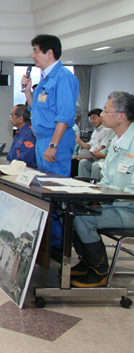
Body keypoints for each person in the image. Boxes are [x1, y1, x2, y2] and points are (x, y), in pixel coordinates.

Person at [70, 91, 134, 288]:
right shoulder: (116, 142)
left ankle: (99, 272)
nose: (102, 115)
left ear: (121, 116)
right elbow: (106, 177)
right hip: (115, 203)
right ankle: (87, 262)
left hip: (129, 208)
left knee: (82, 218)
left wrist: (104, 199)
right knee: (69, 211)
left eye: (106, 111)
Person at [21, 34, 79, 177]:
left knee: (55, 184)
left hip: (56, 138)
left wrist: (53, 145)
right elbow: (36, 109)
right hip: (42, 139)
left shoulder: (63, 77)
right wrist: (28, 92)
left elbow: (64, 116)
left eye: (36, 51)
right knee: (44, 182)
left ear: (50, 53)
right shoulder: (45, 78)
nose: (33, 56)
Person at [74, 108, 115, 179]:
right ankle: (83, 185)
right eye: (91, 119)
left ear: (101, 117)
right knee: (83, 163)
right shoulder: (95, 131)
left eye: (94, 118)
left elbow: (103, 147)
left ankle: (94, 186)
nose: (92, 121)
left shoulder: (107, 130)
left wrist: (92, 154)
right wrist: (79, 141)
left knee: (95, 165)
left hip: (102, 157)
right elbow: (89, 146)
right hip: (94, 156)